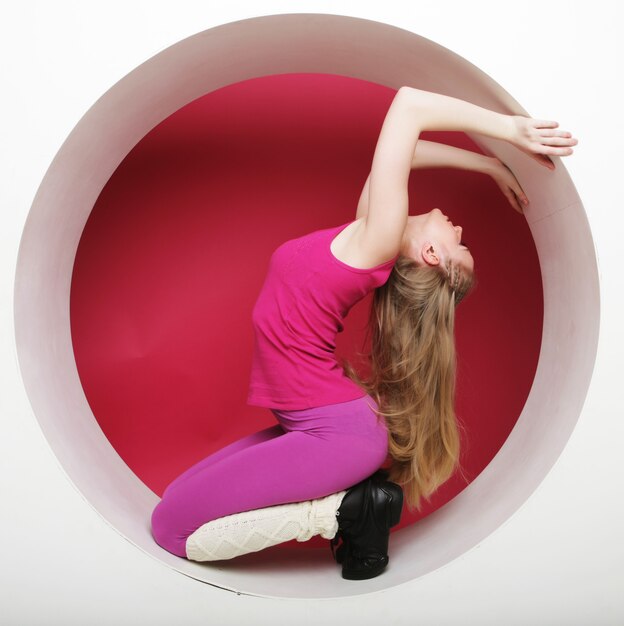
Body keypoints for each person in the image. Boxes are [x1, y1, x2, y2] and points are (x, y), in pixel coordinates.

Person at [151, 86, 577, 580]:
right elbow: (402, 151)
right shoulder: (370, 227)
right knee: (175, 499)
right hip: (325, 424)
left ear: (433, 258)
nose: (460, 232)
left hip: (337, 433)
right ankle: (352, 505)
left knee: (171, 529)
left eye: (460, 247)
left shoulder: (377, 238)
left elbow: (410, 106)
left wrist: (511, 132)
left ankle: (341, 514)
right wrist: (490, 166)